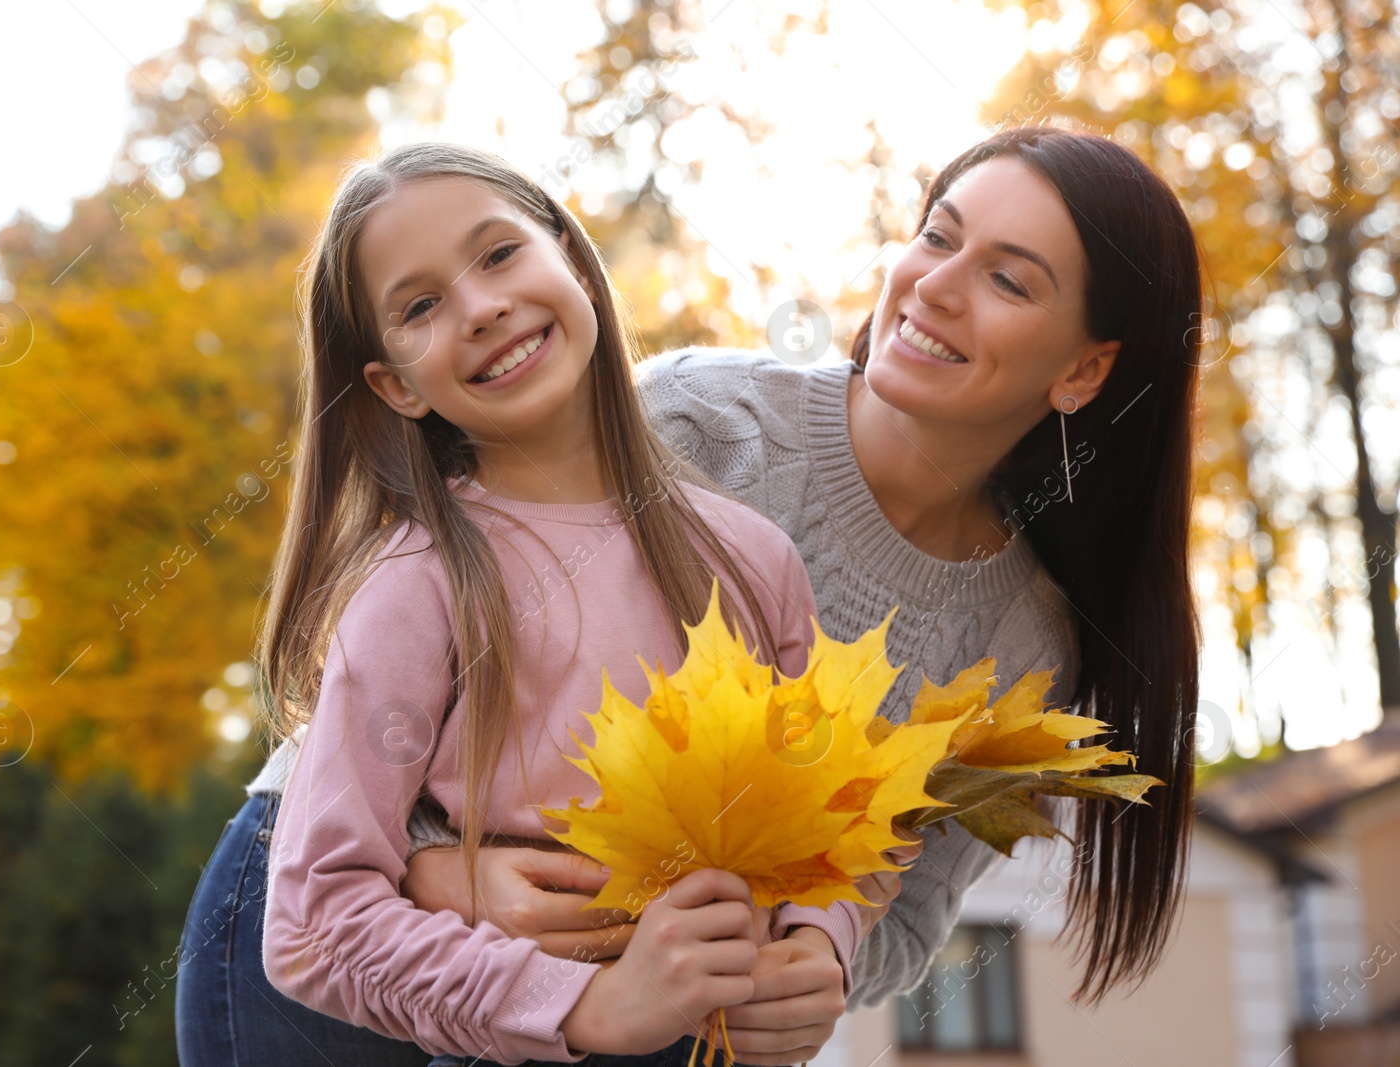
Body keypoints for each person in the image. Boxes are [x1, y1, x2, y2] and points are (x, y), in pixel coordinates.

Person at [177, 124, 1203, 1062]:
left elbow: (880, 889)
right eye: (937, 237)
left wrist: (818, 963)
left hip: (621, 998)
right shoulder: (700, 421)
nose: (935, 286)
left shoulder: (1019, 642)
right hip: (339, 921)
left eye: (1008, 282)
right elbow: (361, 789)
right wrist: (440, 872)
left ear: (1084, 367)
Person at [178, 141, 868, 1067]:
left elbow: (832, 814)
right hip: (499, 1033)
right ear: (395, 386)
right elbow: (310, 923)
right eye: (420, 307)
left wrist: (822, 941)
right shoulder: (414, 586)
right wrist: (584, 1003)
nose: (482, 306)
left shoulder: (751, 561)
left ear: (572, 259)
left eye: (499, 253)